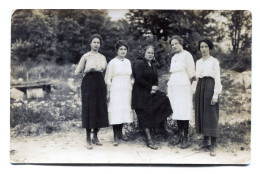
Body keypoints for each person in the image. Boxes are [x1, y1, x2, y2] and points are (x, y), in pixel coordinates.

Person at [132, 45, 173, 150]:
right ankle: (149, 139)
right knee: (144, 110)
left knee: (164, 99)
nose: (150, 55)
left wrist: (154, 88)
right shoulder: (139, 64)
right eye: (148, 52)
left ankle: (162, 127)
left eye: (152, 53)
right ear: (144, 53)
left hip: (151, 91)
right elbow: (139, 79)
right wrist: (150, 87)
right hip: (140, 92)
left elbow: (155, 79)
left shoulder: (153, 65)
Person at [74, 34, 109, 150]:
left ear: (100, 44)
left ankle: (95, 136)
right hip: (88, 83)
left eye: (98, 42)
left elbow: (106, 72)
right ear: (90, 43)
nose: (96, 44)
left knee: (99, 109)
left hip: (100, 83)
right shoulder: (85, 56)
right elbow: (77, 72)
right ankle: (88, 138)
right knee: (89, 109)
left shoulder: (103, 57)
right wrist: (84, 79)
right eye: (94, 42)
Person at [194, 39, 222, 157]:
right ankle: (205, 142)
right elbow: (196, 78)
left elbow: (217, 78)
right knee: (202, 113)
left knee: (211, 114)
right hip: (200, 87)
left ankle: (213, 144)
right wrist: (194, 91)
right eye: (201, 47)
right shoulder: (198, 62)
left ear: (209, 48)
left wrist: (215, 95)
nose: (203, 49)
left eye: (206, 47)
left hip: (210, 86)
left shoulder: (214, 61)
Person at [167, 35, 196, 149]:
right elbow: (172, 73)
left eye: (176, 43)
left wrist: (188, 87)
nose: (174, 46)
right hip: (174, 85)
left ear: (181, 43)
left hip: (184, 86)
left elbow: (192, 75)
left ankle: (186, 138)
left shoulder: (187, 55)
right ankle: (179, 135)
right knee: (177, 110)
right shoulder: (173, 57)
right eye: (172, 44)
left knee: (184, 110)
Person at [105, 40, 133, 146]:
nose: (123, 51)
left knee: (123, 111)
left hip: (126, 88)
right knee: (116, 111)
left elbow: (130, 76)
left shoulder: (128, 62)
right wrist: (108, 93)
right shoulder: (112, 62)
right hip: (116, 89)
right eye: (121, 49)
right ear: (117, 50)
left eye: (125, 49)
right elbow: (108, 79)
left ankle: (121, 133)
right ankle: (115, 136)